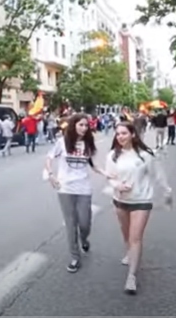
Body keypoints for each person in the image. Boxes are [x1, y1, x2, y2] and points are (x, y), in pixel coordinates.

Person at [105, 121, 172, 295]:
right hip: (120, 199)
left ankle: (132, 276)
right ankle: (129, 253)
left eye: (124, 133)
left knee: (136, 237)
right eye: (118, 134)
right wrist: (116, 185)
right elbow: (110, 177)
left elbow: (159, 174)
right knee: (126, 234)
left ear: (133, 134)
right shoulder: (112, 155)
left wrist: (167, 191)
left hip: (141, 200)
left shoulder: (145, 155)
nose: (120, 137)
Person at [44, 113, 108, 273]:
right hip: (65, 188)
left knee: (85, 223)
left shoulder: (88, 143)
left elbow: (94, 165)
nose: (84, 128)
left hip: (83, 188)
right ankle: (75, 257)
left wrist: (108, 174)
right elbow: (49, 157)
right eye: (81, 125)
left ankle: (84, 239)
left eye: (86, 125)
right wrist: (50, 174)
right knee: (71, 223)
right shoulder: (62, 142)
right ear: (74, 125)